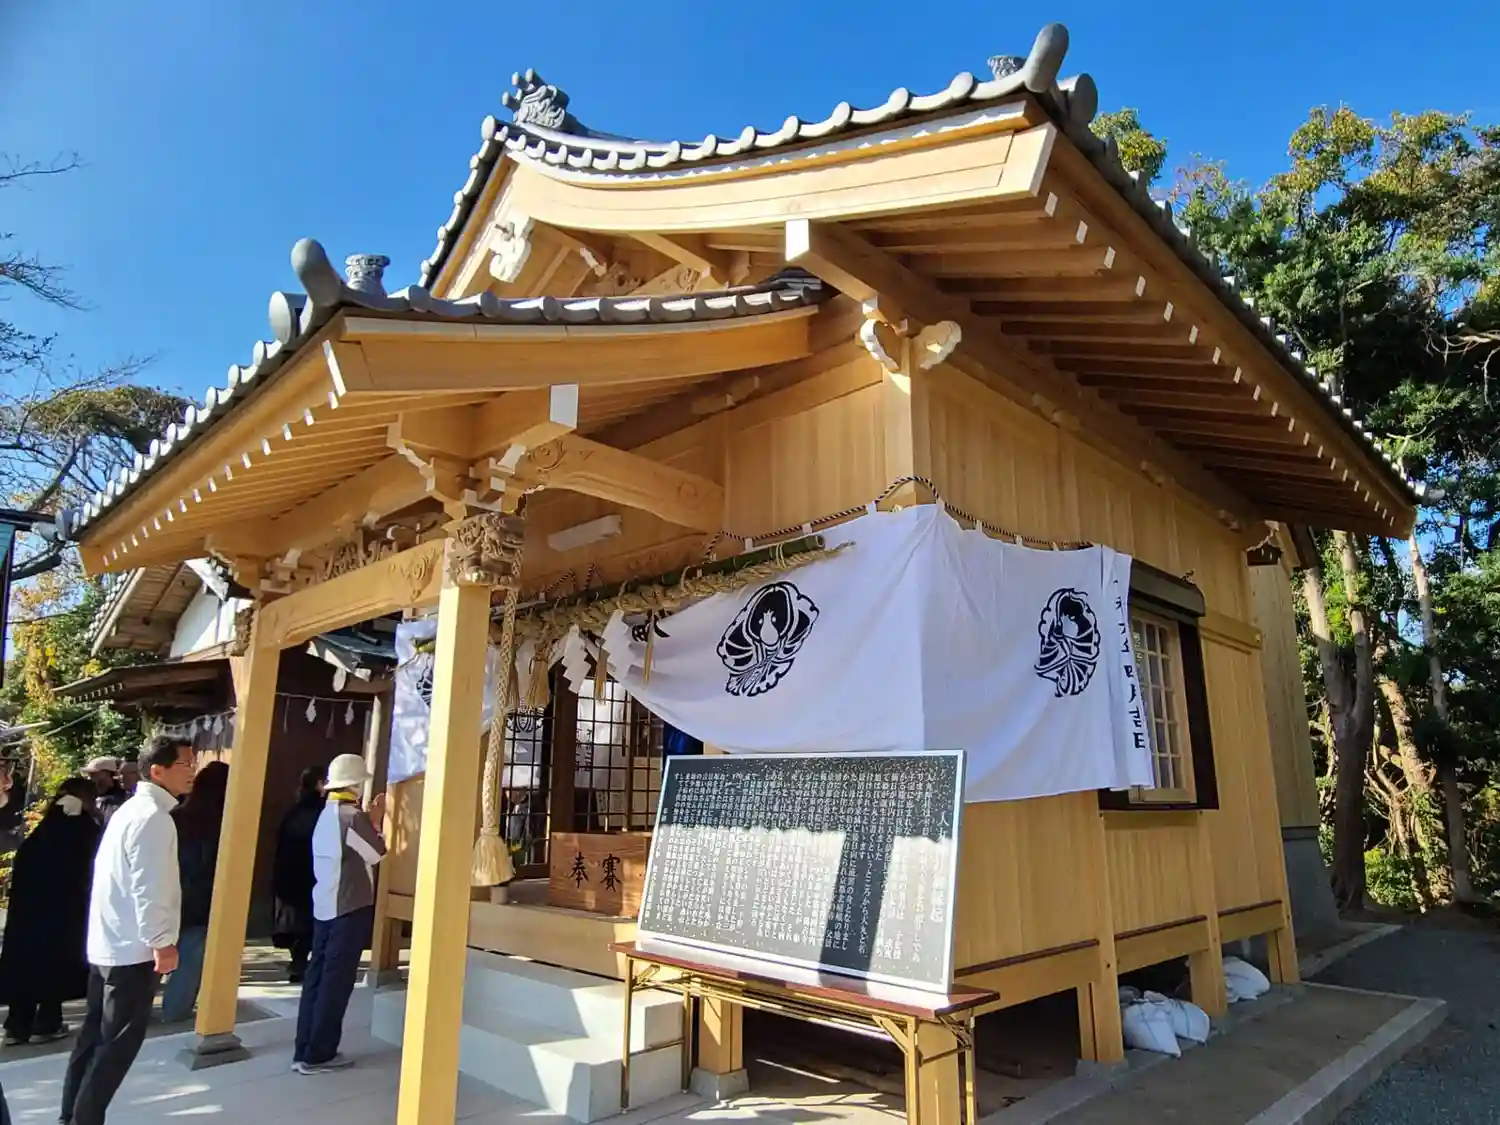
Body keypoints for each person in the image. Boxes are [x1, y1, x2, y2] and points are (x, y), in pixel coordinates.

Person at [60, 738, 194, 1125]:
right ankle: (83, 1119)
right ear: (158, 771)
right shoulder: (153, 817)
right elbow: (149, 887)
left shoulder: (132, 811)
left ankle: (70, 1115)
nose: (192, 771)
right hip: (132, 949)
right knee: (114, 1048)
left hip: (111, 941)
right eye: (186, 764)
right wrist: (162, 942)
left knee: (94, 1040)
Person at [292, 754, 385, 1075]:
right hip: (349, 905)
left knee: (317, 977)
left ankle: (304, 1048)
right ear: (356, 784)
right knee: (336, 981)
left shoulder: (326, 814)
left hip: (324, 905)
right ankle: (320, 1054)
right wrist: (375, 820)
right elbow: (376, 853)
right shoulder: (352, 817)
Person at [0, 778, 101, 1046]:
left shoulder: (42, 831)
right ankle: (47, 1022)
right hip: (64, 912)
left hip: (27, 913)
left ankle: (17, 1025)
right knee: (54, 965)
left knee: (25, 965)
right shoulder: (83, 829)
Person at [159, 761, 229, 1023]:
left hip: (170, 893)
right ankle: (175, 1010)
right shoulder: (223, 822)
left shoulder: (176, 816)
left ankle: (135, 1008)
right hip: (202, 899)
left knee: (157, 954)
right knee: (190, 958)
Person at [272, 768, 325, 983]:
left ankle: (298, 961)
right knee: (310, 920)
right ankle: (302, 962)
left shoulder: (293, 811)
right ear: (319, 784)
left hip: (290, 872)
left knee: (297, 921)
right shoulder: (322, 811)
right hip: (312, 872)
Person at [83, 758, 127, 825]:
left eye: (93, 773)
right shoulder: (92, 798)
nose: (89, 777)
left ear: (107, 773)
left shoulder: (121, 800)